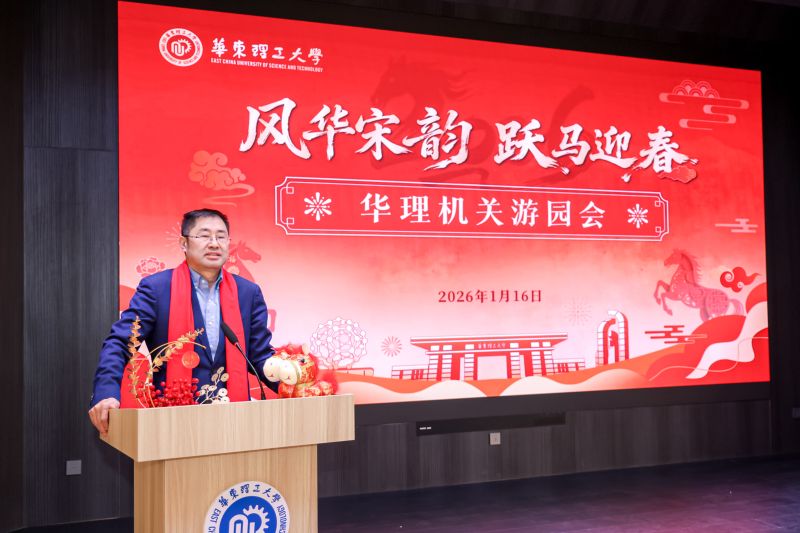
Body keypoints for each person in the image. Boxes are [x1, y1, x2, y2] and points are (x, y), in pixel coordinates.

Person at [88, 208, 276, 435]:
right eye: (204, 235)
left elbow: (259, 356)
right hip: (173, 422)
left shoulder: (248, 292)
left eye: (221, 236)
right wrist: (106, 392)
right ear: (183, 243)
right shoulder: (157, 289)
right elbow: (120, 343)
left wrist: (292, 382)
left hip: (234, 421)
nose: (214, 243)